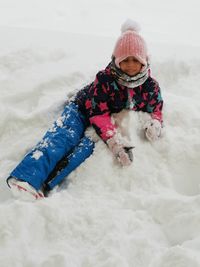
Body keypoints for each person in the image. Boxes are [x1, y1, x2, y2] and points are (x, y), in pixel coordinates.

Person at [6, 19, 163, 200]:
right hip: (81, 110)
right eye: (124, 60)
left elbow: (156, 107)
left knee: (84, 150)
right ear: (116, 60)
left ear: (144, 62)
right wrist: (114, 142)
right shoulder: (105, 80)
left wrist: (155, 123)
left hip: (102, 120)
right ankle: (25, 178)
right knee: (64, 137)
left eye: (135, 60)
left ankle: (44, 186)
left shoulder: (150, 86)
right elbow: (98, 113)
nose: (129, 65)